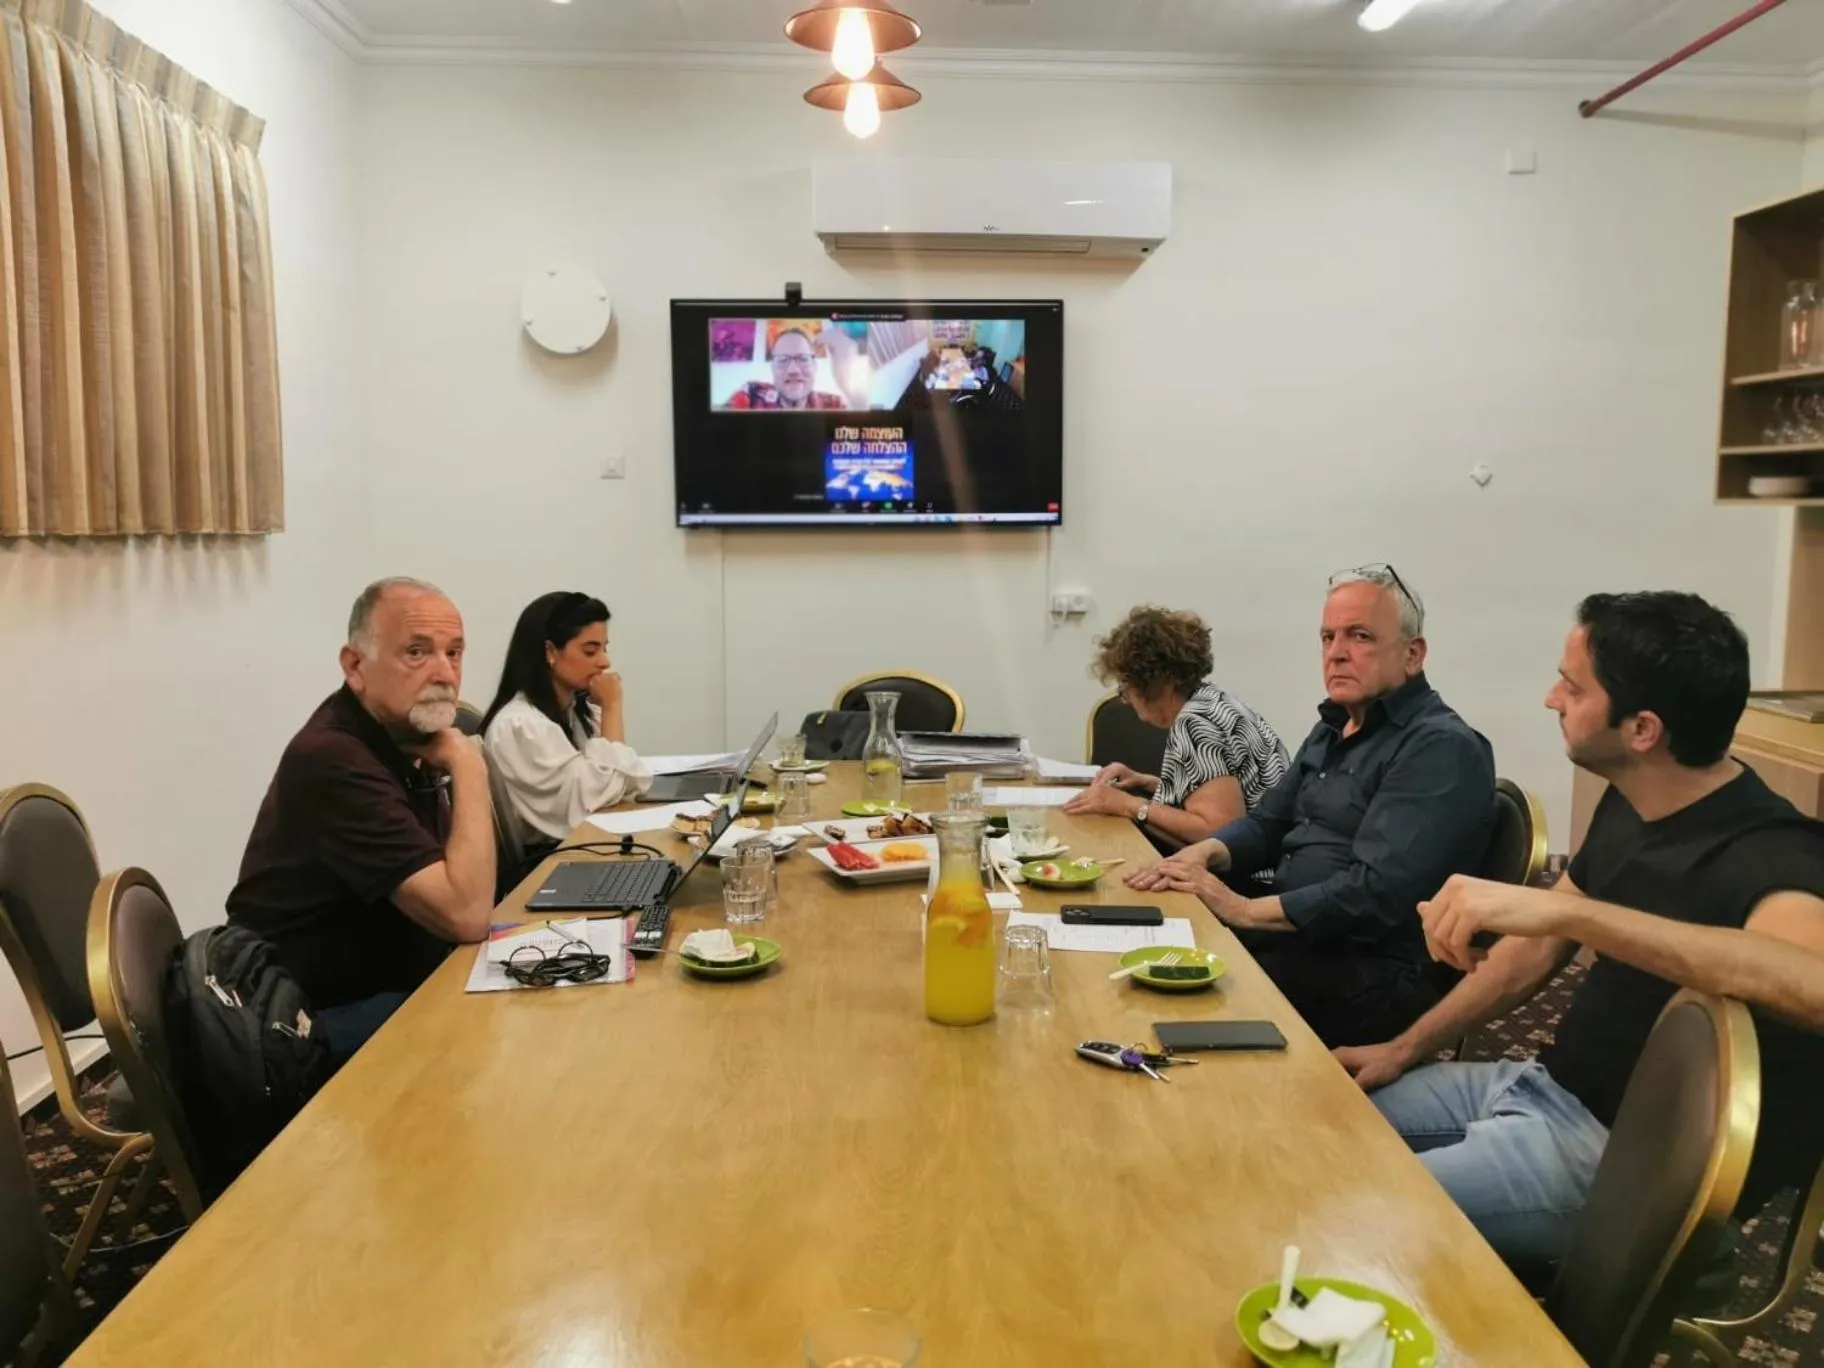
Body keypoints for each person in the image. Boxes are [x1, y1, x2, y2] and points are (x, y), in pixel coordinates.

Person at [1335, 591, 1824, 1269]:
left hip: (1621, 1161)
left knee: (1340, 1211)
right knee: (1317, 1118)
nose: (1549, 699)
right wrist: (1403, 1047)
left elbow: (1810, 982)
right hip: (1543, 1087)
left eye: (1571, 686)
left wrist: (1573, 912)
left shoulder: (1775, 852)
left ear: (1642, 729)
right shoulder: (1633, 796)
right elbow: (1534, 949)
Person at [1128, 565, 1496, 1047]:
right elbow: (1266, 826)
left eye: (1359, 636)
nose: (1337, 653)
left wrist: (1241, 908)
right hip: (1299, 941)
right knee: (1145, 938)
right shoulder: (1334, 726)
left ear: (1413, 653)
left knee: (1159, 1000)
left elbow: (1374, 893)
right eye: (1327, 637)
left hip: (1369, 971)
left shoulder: (1439, 747)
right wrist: (1204, 854)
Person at [227, 578, 496, 1061]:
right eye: (417, 652)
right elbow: (467, 914)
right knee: (490, 1041)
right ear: (355, 666)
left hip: (383, 980)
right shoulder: (334, 758)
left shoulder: (400, 735)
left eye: (454, 653)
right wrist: (468, 761)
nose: (444, 674)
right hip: (302, 1022)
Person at [1064, 605, 1288, 849]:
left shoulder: (1197, 723)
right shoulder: (1212, 700)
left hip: (1251, 880)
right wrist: (1146, 783)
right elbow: (1206, 796)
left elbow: (1221, 833)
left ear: (1154, 682)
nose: (1125, 698)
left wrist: (1128, 805)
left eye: (1126, 686)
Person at [481, 591, 652, 846]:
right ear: (550, 651)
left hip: (582, 848)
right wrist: (612, 707)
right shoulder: (520, 726)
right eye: (590, 651)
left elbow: (626, 781)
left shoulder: (574, 710)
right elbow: (594, 801)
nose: (605, 662)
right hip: (544, 864)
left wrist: (605, 712)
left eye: (604, 649)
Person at [722, 326, 861, 410]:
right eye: (782, 360)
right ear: (772, 368)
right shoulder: (751, 394)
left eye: (803, 359)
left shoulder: (834, 405)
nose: (793, 370)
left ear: (815, 367)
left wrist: (847, 386)